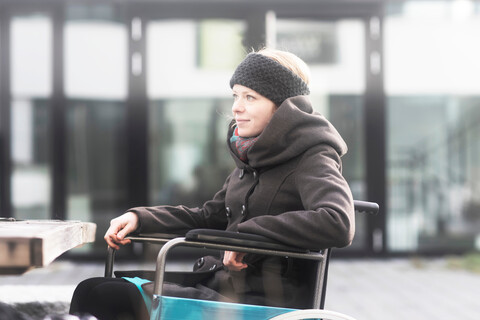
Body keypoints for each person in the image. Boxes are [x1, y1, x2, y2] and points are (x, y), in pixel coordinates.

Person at [69, 48, 354, 320]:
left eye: (250, 97)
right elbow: (210, 216)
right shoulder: (253, 155)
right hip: (223, 285)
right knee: (90, 289)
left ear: (284, 108)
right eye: (235, 95)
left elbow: (338, 221)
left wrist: (248, 237)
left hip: (265, 300)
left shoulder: (312, 154)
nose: (236, 108)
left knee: (108, 296)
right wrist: (140, 218)